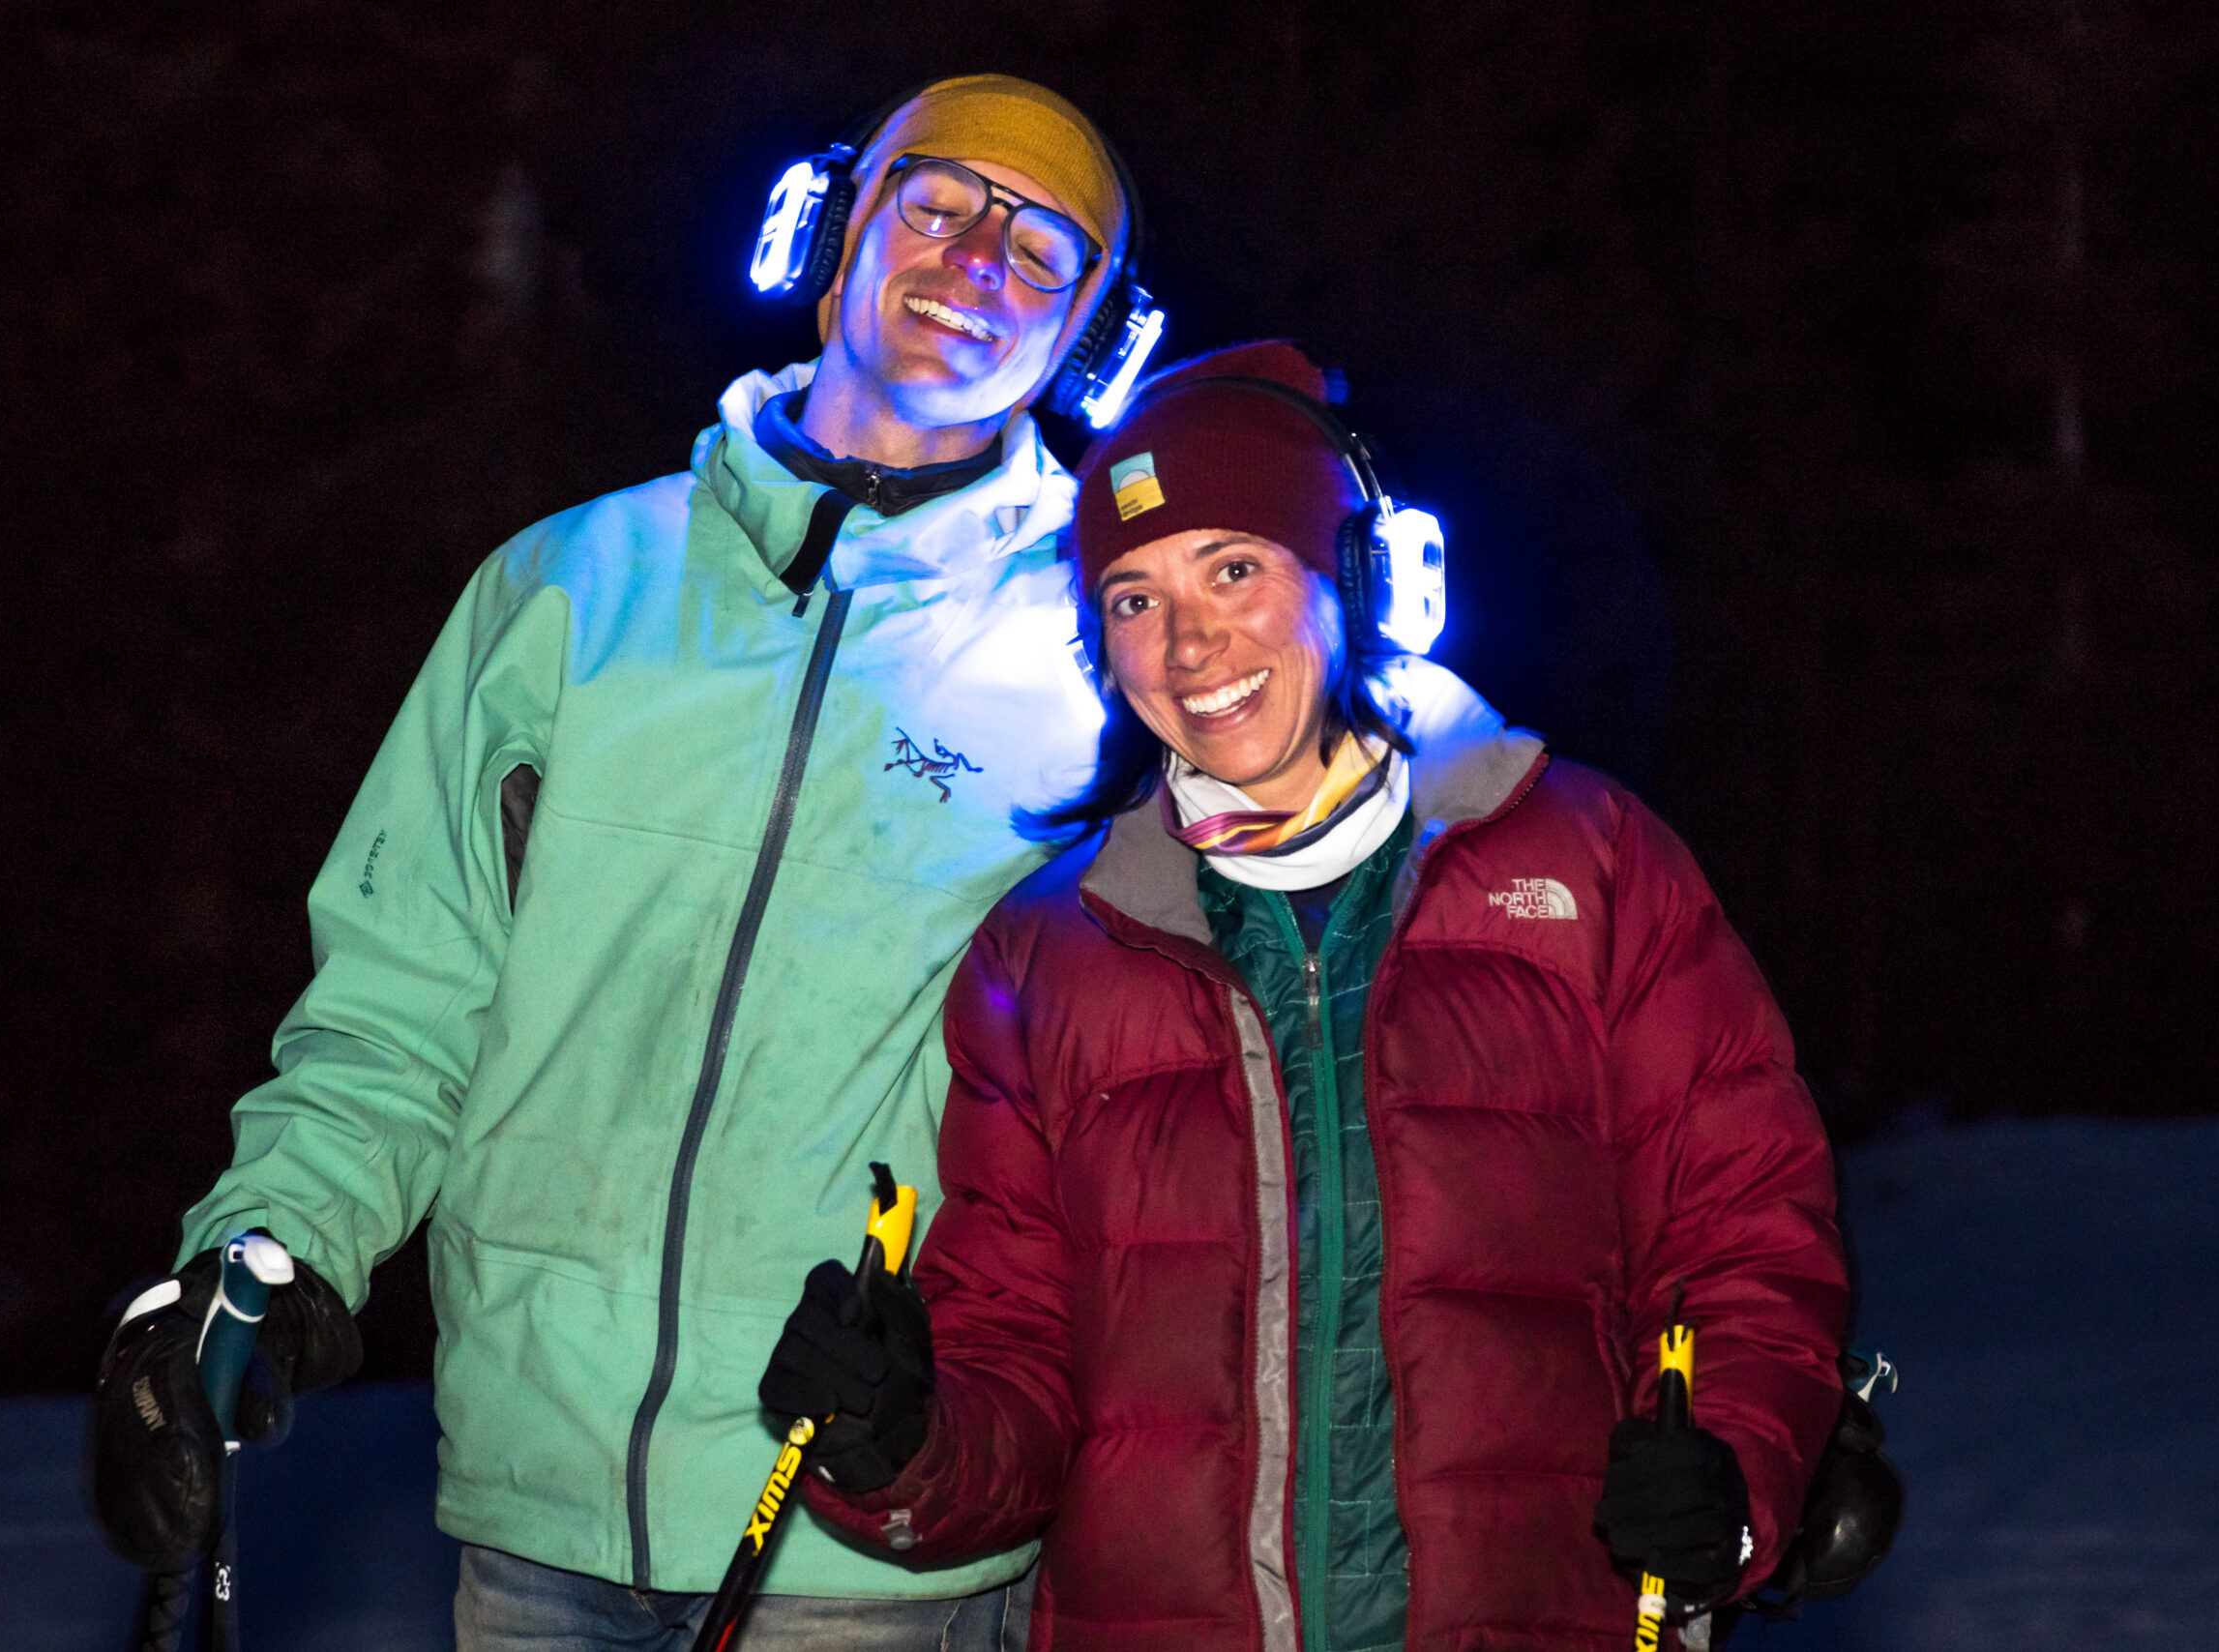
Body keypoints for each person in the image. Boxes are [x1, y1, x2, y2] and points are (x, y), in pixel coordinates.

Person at [87, 74, 1146, 1651]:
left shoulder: (1112, 652)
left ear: (1086, 340)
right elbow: (400, 1005)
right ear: (835, 232)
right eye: (937, 205)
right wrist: (264, 1260)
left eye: (1043, 249)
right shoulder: (572, 590)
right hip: (539, 1510)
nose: (978, 262)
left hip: (870, 1536)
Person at [758, 342, 1851, 1651]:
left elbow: (1746, 1242)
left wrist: (1728, 1478)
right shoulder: (1047, 954)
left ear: (1350, 578)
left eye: (1233, 569)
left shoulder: (1590, 865)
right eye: (1134, 599)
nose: (1190, 642)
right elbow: (1020, 1364)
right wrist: (899, 1437)